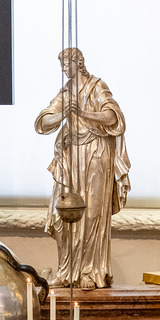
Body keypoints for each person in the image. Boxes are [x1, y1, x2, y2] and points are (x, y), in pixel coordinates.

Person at [35, 47, 130, 289]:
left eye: (66, 65)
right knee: (64, 214)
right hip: (72, 156)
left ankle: (90, 271)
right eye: (62, 66)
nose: (64, 69)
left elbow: (112, 117)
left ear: (78, 63)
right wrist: (62, 115)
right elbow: (43, 121)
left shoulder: (96, 86)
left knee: (93, 213)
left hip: (96, 153)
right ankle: (67, 271)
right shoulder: (66, 91)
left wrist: (84, 113)